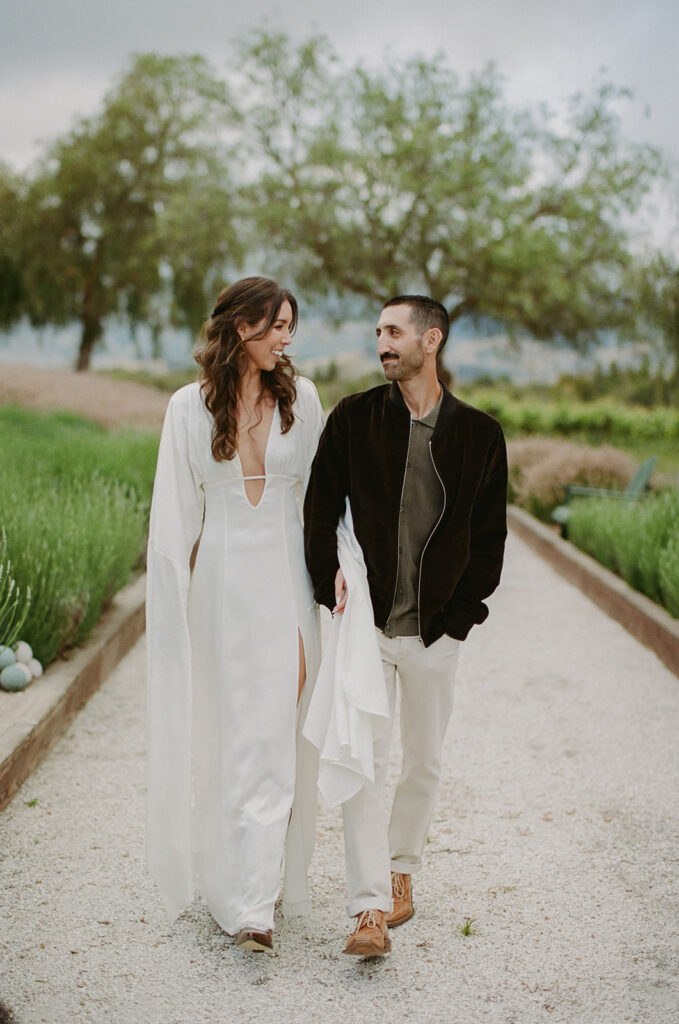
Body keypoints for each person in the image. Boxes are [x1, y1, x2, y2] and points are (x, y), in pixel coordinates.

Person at [304, 294, 507, 956]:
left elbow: (488, 540)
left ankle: (400, 875)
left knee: (422, 760)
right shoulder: (354, 418)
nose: (381, 342)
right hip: (363, 625)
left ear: (431, 340)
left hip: (431, 634)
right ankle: (365, 909)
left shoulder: (479, 434)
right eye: (377, 332)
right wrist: (323, 577)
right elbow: (317, 507)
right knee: (361, 759)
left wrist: (455, 619)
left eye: (394, 332)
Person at [146, 276, 325, 954]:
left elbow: (322, 497)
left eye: (290, 326)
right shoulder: (186, 411)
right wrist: (170, 614)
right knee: (233, 735)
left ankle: (256, 900)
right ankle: (236, 888)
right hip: (219, 591)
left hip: (286, 585)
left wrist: (337, 571)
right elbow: (172, 521)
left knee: (275, 732)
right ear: (241, 327)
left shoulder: (302, 400)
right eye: (277, 324)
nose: (287, 338)